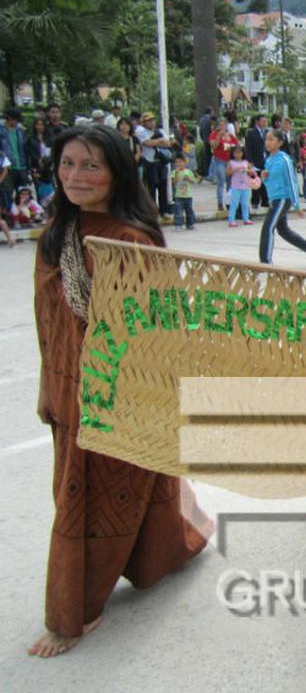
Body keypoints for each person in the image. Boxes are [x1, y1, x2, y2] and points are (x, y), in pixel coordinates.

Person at [31, 125, 209, 657]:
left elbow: (156, 330)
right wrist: (50, 387)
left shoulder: (131, 240)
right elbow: (49, 326)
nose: (76, 176)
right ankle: (168, 552)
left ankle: (74, 612)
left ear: (117, 173)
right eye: (67, 164)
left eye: (91, 166)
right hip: (68, 389)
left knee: (89, 501)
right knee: (116, 488)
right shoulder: (56, 233)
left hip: (118, 394)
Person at [259, 129, 306, 266]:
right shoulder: (269, 160)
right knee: (283, 231)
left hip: (283, 199)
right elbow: (271, 183)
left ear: (280, 142)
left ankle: (265, 262)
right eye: (267, 139)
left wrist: (296, 205)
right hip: (274, 199)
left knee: (268, 228)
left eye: (271, 139)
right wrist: (264, 179)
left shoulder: (285, 160)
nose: (268, 142)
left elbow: (292, 182)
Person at [135, 112, 174, 218]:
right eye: (148, 121)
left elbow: (168, 143)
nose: (151, 122)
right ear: (144, 122)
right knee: (151, 188)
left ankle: (164, 210)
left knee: (163, 187)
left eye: (152, 120)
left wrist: (157, 141)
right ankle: (152, 211)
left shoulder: (160, 131)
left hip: (161, 161)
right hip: (149, 161)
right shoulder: (142, 132)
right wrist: (160, 140)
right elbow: (147, 143)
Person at [209, 118, 237, 212]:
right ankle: (220, 202)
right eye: (220, 125)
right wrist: (219, 137)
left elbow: (237, 146)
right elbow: (213, 146)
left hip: (229, 161)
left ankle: (229, 203)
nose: (222, 127)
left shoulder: (231, 136)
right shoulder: (214, 135)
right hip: (219, 160)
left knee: (230, 182)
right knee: (221, 180)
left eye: (224, 125)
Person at [226, 145, 255, 227]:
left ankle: (246, 218)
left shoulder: (246, 162)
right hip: (235, 186)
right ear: (233, 153)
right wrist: (235, 170)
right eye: (236, 153)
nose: (238, 154)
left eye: (240, 152)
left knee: (245, 203)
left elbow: (252, 172)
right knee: (234, 203)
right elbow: (227, 173)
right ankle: (231, 220)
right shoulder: (231, 162)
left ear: (243, 153)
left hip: (245, 186)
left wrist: (247, 170)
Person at [245, 114, 269, 209]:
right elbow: (248, 148)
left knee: (265, 181)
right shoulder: (251, 133)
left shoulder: (267, 132)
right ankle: (255, 201)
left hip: (265, 160)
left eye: (265, 121)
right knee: (256, 181)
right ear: (257, 122)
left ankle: (265, 200)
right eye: (263, 121)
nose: (265, 123)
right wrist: (250, 161)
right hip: (255, 160)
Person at [170, 155, 198, 231]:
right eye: (176, 162)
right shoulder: (174, 172)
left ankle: (190, 224)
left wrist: (188, 179)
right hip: (178, 196)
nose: (178, 164)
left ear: (185, 163)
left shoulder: (188, 172)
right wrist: (176, 174)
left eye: (180, 162)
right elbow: (173, 182)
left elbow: (193, 181)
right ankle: (178, 225)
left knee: (189, 211)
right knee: (178, 211)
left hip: (188, 195)